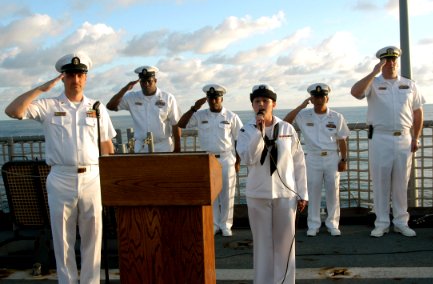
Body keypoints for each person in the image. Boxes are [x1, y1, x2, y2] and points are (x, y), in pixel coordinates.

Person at [4, 52, 116, 283]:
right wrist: (40, 89)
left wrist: (111, 181)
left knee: (93, 237)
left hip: (92, 176)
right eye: (71, 74)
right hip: (60, 177)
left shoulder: (97, 107)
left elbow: (107, 145)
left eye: (80, 74)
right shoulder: (48, 105)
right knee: (62, 238)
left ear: (86, 78)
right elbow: (13, 111)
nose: (76, 79)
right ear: (62, 77)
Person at [351, 46, 426, 237]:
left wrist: (416, 137)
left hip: (404, 138)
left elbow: (418, 112)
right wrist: (374, 72)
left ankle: (401, 222)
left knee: (402, 182)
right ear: (381, 62)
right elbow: (356, 92)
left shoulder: (409, 85)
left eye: (393, 60)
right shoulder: (374, 83)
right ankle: (382, 222)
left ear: (397, 61)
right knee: (381, 181)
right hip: (380, 138)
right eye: (387, 60)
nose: (391, 63)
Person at [236, 84, 308, 284]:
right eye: (257, 101)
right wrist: (258, 134)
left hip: (285, 195)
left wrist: (303, 193)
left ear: (273, 104)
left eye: (265, 101)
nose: (261, 104)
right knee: (262, 245)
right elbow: (249, 158)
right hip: (258, 195)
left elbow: (298, 162)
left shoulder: (287, 129)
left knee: (286, 244)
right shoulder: (245, 130)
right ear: (252, 105)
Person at [177, 84, 243, 237]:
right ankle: (214, 224)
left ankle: (226, 225)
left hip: (226, 158)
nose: (213, 101)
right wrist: (194, 108)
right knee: (211, 194)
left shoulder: (231, 117)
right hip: (207, 158)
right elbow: (181, 124)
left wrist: (238, 161)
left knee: (227, 194)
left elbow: (239, 140)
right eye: (210, 98)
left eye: (216, 98)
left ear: (221, 98)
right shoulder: (200, 115)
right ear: (207, 99)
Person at [284, 83, 349, 237]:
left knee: (333, 191)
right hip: (313, 158)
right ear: (311, 99)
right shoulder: (304, 115)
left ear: (327, 98)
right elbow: (286, 122)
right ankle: (313, 224)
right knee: (312, 192)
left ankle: (333, 224)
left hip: (332, 157)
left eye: (322, 97)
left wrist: (344, 159)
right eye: (316, 97)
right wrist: (300, 106)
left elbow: (342, 140)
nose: (319, 100)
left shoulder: (337, 117)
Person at [106, 66, 181, 153]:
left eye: (149, 81)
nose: (146, 84)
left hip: (163, 146)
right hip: (141, 147)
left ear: (155, 81)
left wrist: (177, 149)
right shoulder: (132, 97)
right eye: (143, 81)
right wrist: (125, 89)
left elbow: (176, 124)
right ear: (140, 82)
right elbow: (110, 106)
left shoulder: (168, 98)